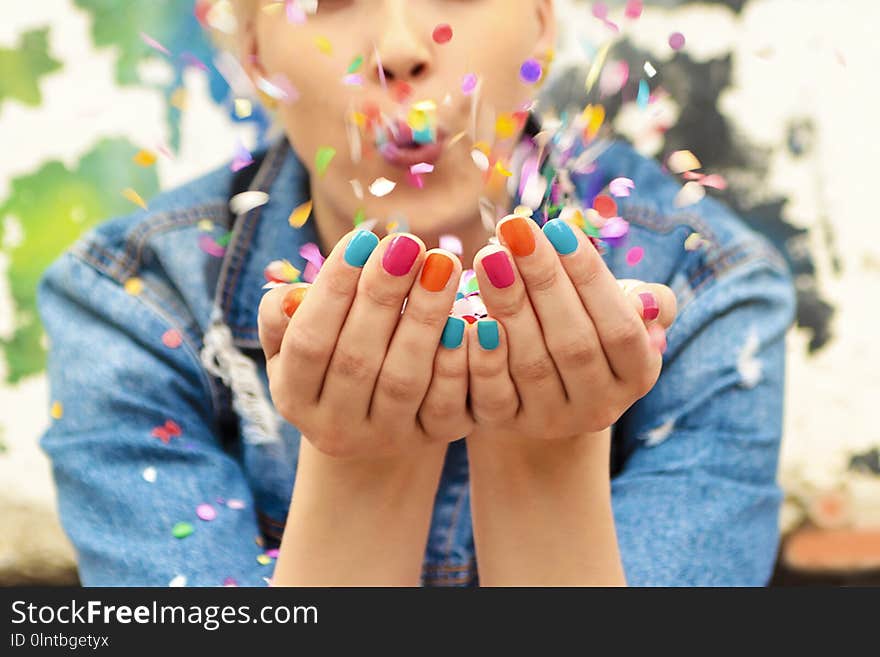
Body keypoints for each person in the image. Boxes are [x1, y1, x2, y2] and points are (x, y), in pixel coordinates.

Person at [37, 0, 794, 586]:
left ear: (538, 24)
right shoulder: (130, 300)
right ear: (254, 52)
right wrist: (358, 469)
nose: (399, 48)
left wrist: (549, 464)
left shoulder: (706, 285)